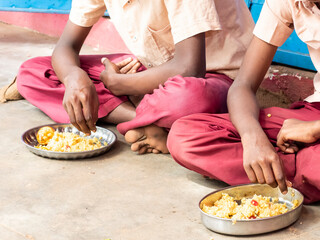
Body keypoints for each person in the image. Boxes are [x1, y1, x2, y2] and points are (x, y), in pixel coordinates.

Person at [15, 0, 253, 154]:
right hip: (149, 71)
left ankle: (138, 115)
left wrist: (121, 84)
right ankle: (150, 124)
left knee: (188, 97)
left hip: (214, 79)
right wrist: (74, 77)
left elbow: (190, 68)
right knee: (34, 71)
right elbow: (66, 46)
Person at [168, 0, 320, 203]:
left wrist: (315, 129)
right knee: (185, 135)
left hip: (314, 125)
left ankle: (291, 172)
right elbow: (243, 85)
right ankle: (298, 170)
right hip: (313, 111)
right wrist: (253, 139)